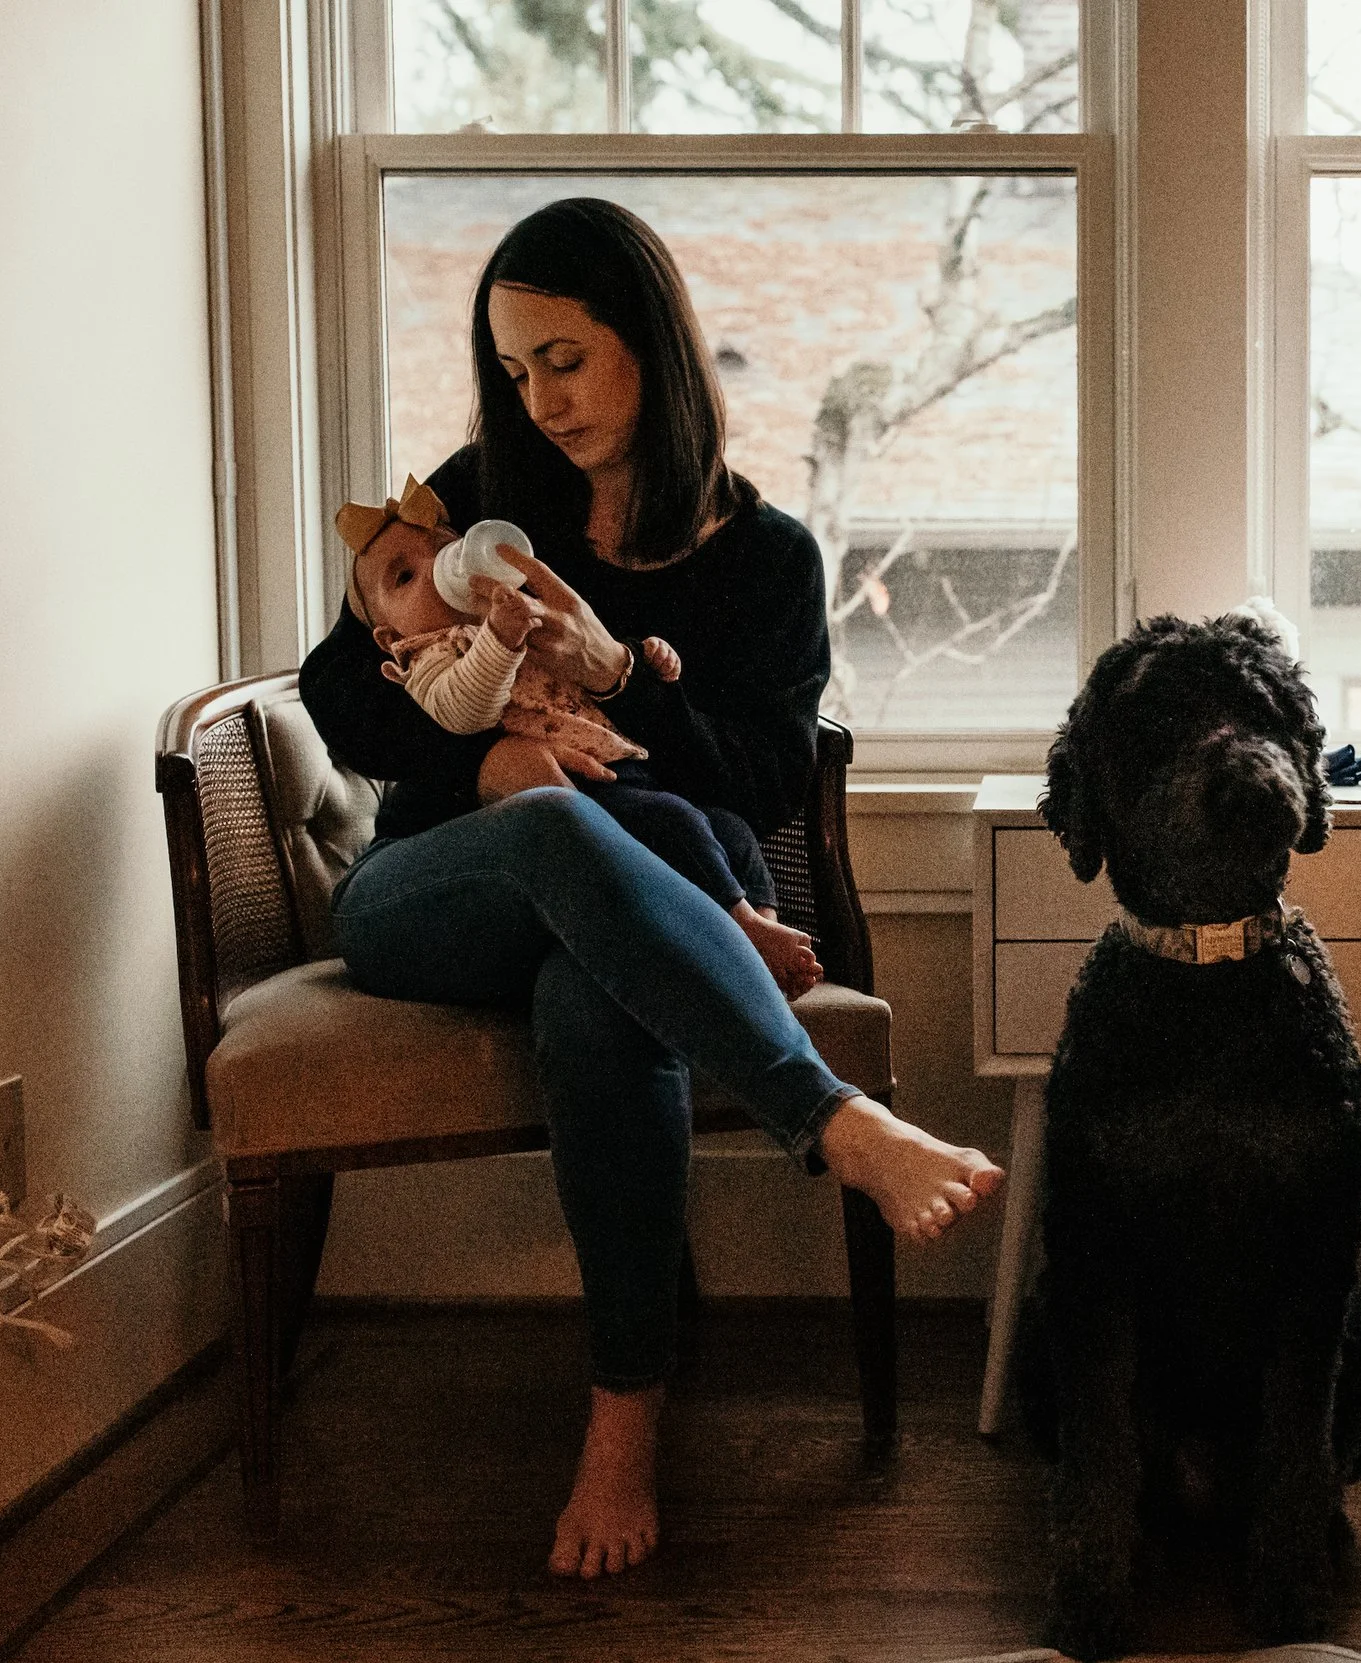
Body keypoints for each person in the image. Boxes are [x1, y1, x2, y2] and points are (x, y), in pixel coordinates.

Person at [300, 197, 1003, 1581]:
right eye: (513, 369)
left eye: (563, 356)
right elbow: (341, 692)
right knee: (556, 844)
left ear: (650, 342)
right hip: (434, 893)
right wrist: (497, 735)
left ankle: (623, 1411)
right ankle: (839, 1121)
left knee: (596, 990)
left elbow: (758, 777)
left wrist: (619, 673)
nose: (538, 397)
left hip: (650, 902)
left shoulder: (770, 559)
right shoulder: (479, 507)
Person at [336, 477, 823, 997]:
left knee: (726, 829)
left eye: (443, 552)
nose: (437, 574)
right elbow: (463, 704)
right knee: (670, 822)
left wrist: (630, 664)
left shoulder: (516, 617)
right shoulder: (431, 658)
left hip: (617, 772)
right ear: (389, 638)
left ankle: (756, 942)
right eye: (406, 577)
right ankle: (741, 933)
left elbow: (769, 771)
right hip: (552, 810)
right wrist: (489, 755)